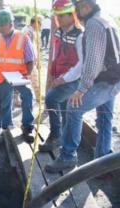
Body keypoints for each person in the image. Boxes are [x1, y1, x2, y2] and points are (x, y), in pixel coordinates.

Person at [45, 0, 120, 173]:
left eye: (78, 8)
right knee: (104, 117)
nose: (77, 12)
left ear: (86, 7)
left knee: (74, 106)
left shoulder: (93, 24)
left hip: (106, 79)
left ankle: (68, 157)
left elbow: (92, 62)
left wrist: (81, 89)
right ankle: (102, 163)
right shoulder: (106, 19)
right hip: (114, 77)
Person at [39, 0, 83, 152]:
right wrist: (52, 72)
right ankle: (63, 138)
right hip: (59, 76)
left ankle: (56, 135)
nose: (58, 18)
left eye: (61, 16)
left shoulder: (80, 35)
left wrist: (63, 79)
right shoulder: (59, 31)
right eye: (56, 15)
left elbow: (81, 66)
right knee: (64, 108)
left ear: (72, 15)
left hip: (72, 80)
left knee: (51, 99)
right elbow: (55, 53)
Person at [0, 9, 36, 143]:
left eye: (3, 26)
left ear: (11, 24)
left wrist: (28, 75)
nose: (1, 28)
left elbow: (30, 59)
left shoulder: (23, 37)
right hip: (3, 76)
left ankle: (27, 126)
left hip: (19, 76)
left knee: (27, 96)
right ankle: (7, 127)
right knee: (5, 102)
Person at [22, 15, 42, 103]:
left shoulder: (31, 30)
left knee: (30, 79)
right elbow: (29, 48)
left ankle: (38, 95)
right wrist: (33, 60)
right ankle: (38, 96)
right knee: (33, 78)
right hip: (28, 60)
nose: (41, 26)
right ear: (35, 23)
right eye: (40, 24)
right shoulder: (28, 31)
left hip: (30, 59)